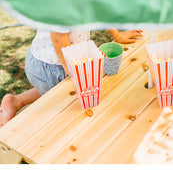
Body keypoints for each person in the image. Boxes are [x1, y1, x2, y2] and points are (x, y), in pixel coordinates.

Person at [0, 28, 143, 127]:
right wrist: (75, 74)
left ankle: (15, 101)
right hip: (51, 66)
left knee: (54, 91)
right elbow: (58, 41)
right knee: (63, 104)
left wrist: (117, 35)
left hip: (62, 61)